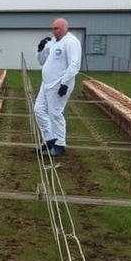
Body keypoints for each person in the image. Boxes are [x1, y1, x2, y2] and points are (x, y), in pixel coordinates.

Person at [34, 17, 82, 157]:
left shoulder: (72, 42)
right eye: (53, 28)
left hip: (59, 83)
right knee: (39, 110)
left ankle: (60, 145)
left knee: (55, 113)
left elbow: (74, 65)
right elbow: (42, 61)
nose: (54, 31)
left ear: (65, 28)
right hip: (46, 82)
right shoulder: (53, 42)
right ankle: (50, 139)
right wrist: (40, 49)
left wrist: (65, 84)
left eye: (57, 28)